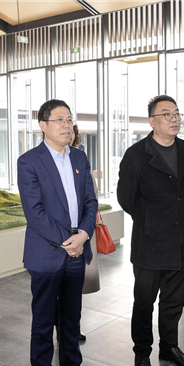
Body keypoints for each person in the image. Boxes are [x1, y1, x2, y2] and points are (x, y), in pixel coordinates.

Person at [17, 99, 101, 366]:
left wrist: (84, 234)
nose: (67, 125)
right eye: (60, 120)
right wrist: (70, 241)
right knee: (42, 321)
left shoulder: (79, 156)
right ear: (43, 125)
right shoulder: (29, 161)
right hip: (47, 254)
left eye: (69, 119)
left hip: (77, 251)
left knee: (71, 317)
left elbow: (90, 201)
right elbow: (35, 212)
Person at [117, 95, 184, 366]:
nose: (174, 118)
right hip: (150, 240)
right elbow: (126, 197)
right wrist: (151, 219)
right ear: (152, 121)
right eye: (167, 114)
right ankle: (142, 353)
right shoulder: (136, 154)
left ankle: (169, 347)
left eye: (176, 113)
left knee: (174, 301)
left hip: (181, 240)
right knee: (144, 302)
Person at [70, 126, 100, 342]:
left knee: (76, 288)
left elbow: (92, 195)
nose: (67, 132)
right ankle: (63, 328)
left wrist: (84, 231)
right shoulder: (39, 160)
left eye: (71, 129)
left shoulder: (81, 157)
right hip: (60, 237)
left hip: (83, 230)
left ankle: (73, 327)